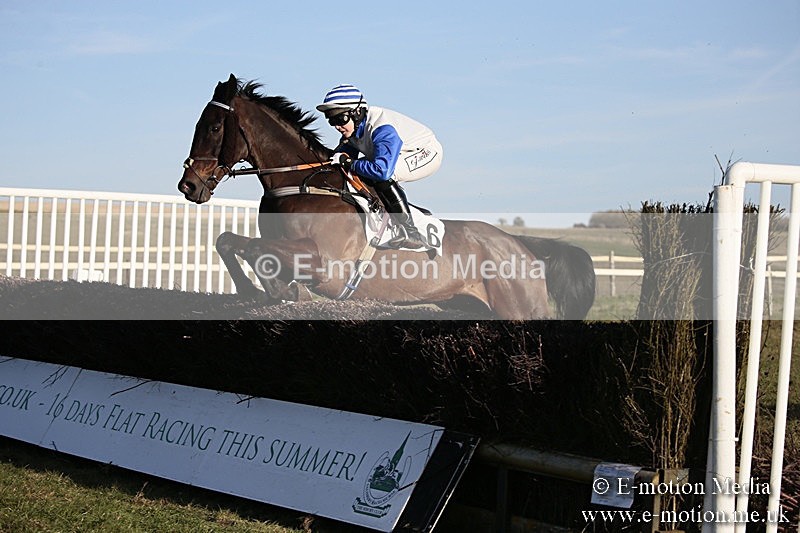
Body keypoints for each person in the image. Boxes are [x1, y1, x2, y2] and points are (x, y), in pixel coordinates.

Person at [317, 84, 443, 249]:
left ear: (357, 113)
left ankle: (411, 232)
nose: (337, 126)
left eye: (340, 119)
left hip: (426, 152)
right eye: (331, 120)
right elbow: (336, 161)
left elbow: (381, 171)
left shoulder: (382, 128)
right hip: (399, 154)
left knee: (382, 175)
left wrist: (348, 162)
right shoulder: (352, 132)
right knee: (360, 171)